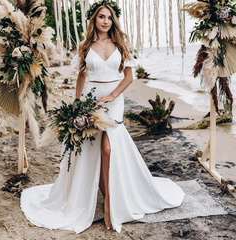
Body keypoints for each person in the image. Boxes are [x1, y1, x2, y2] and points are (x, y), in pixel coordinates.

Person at [20, 0, 185, 233]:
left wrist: (113, 95)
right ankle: (105, 193)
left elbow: (129, 77)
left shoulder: (120, 44)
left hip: (114, 101)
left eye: (109, 17)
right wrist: (77, 102)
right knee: (90, 150)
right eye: (101, 17)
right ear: (94, 20)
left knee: (107, 148)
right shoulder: (85, 45)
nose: (106, 21)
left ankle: (109, 202)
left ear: (113, 20)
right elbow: (81, 75)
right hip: (90, 100)